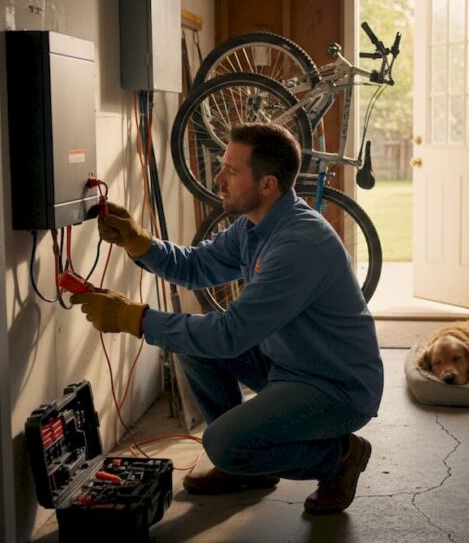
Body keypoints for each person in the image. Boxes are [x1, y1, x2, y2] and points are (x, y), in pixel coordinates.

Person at [72, 123, 383, 515]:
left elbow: (230, 335)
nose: (218, 179)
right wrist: (141, 242)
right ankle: (246, 469)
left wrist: (136, 319)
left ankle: (338, 458)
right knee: (191, 347)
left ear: (267, 184)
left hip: (335, 386)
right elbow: (199, 264)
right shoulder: (254, 226)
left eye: (231, 172)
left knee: (221, 441)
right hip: (289, 363)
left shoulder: (299, 245)